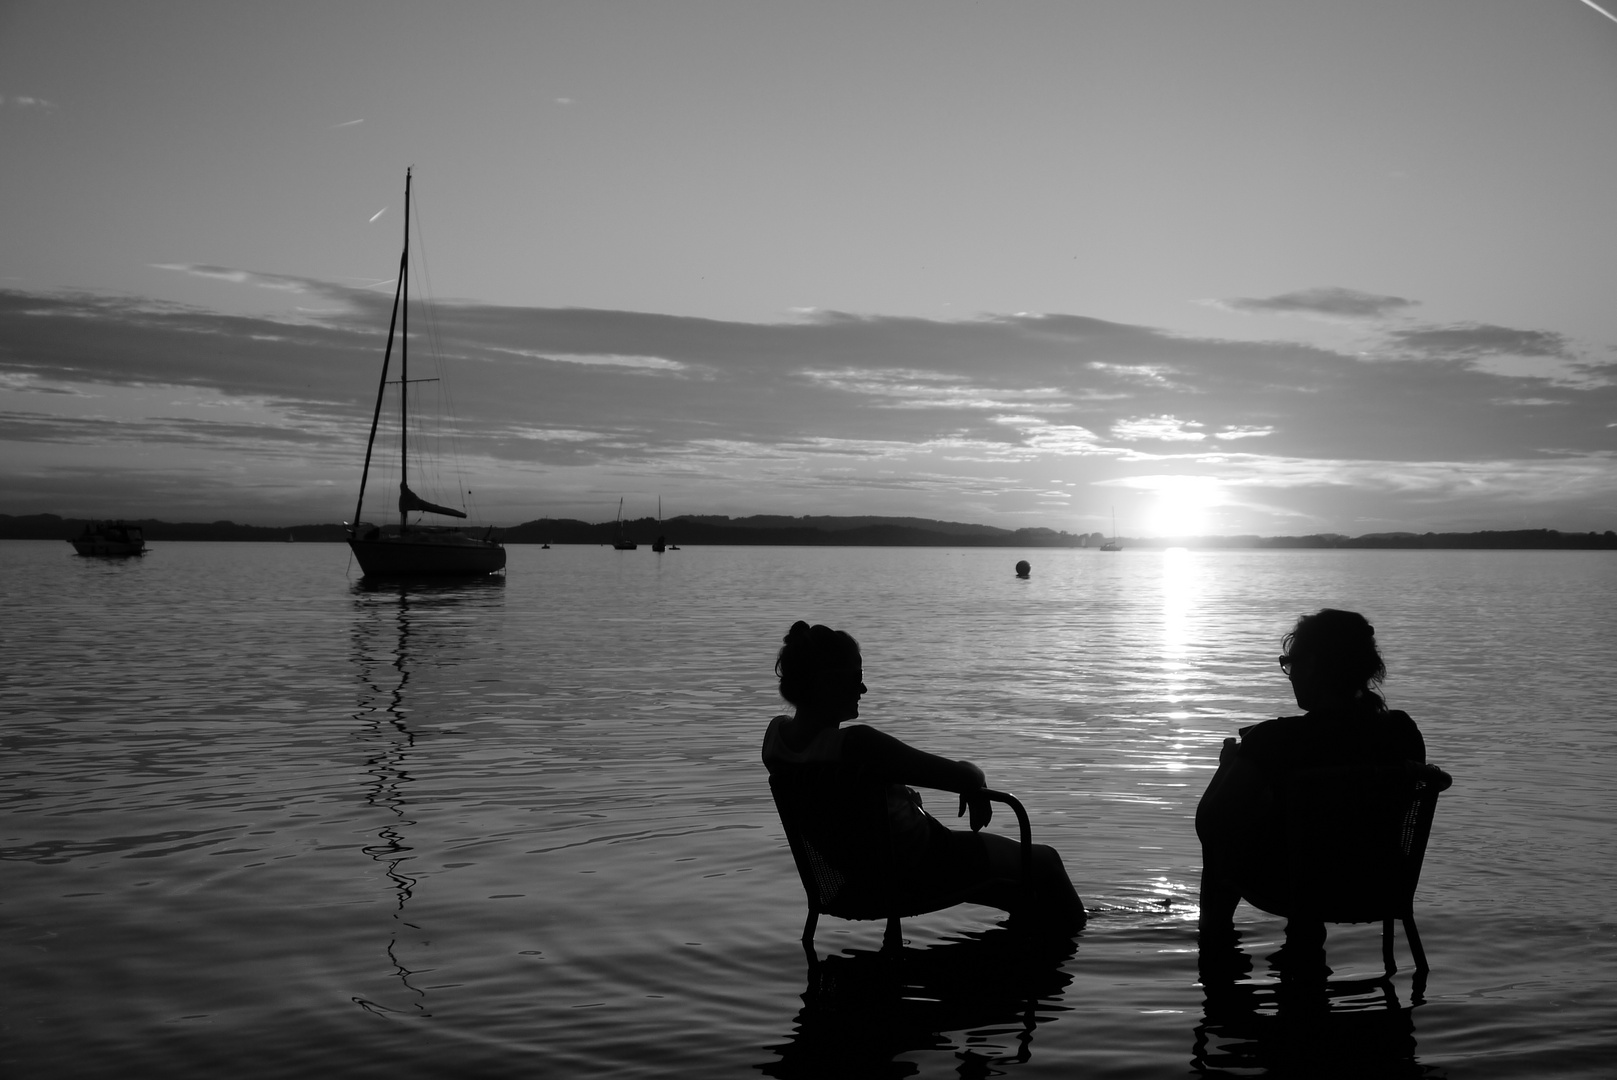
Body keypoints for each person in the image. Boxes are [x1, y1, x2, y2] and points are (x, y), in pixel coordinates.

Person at [763, 620, 1085, 931]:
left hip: (852, 886)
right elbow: (965, 778)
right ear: (827, 683)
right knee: (1046, 863)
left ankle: (1025, 952)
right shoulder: (859, 746)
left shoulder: (775, 742)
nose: (863, 687)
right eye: (856, 676)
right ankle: (1071, 952)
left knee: (1018, 890)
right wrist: (974, 778)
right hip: (923, 867)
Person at [1196, 609, 1426, 960]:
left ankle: (1217, 958)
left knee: (1224, 844)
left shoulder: (1275, 740)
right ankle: (1302, 955)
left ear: (1314, 664)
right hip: (1377, 885)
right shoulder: (1403, 733)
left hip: (1295, 888)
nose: (1288, 674)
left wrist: (1227, 769)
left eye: (1290, 662)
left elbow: (1210, 822)